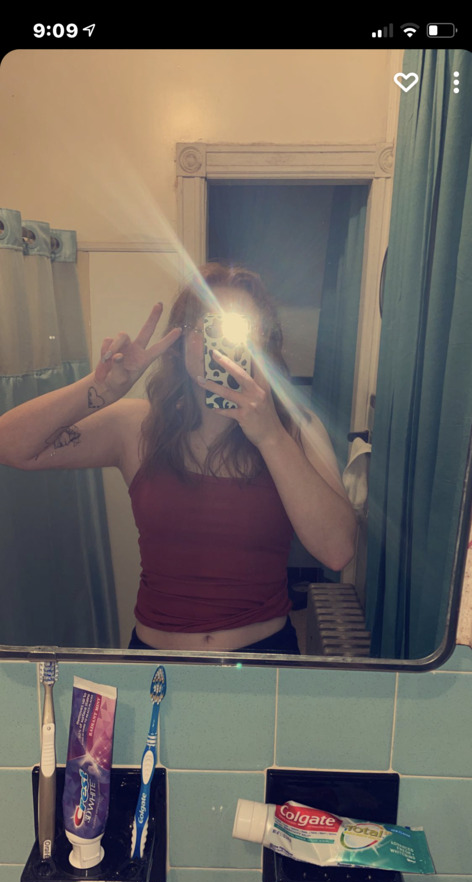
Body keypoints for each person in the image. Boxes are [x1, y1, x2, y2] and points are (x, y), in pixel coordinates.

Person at [0, 262, 356, 653]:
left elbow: (337, 551)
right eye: (207, 325)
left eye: (240, 328)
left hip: (264, 658)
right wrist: (99, 391)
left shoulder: (296, 429)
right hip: (157, 665)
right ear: (181, 339)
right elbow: (10, 445)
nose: (220, 343)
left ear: (263, 343)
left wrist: (270, 435)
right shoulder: (137, 426)